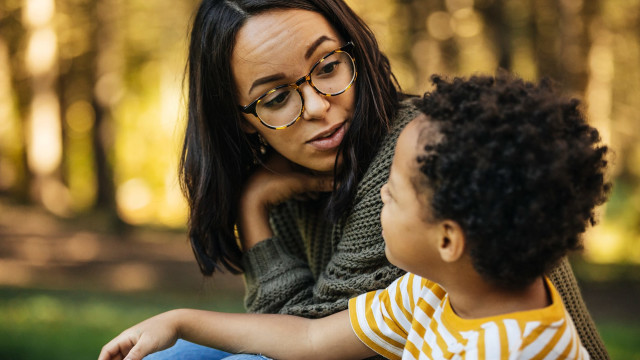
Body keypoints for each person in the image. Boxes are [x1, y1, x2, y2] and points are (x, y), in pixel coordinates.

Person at [143, 0, 609, 358]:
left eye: (327, 67)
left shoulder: (420, 157)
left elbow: (301, 347)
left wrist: (253, 207)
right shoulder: (423, 291)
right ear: (242, 118)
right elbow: (307, 338)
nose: (319, 107)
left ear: (354, 52)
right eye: (277, 97)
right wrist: (181, 318)